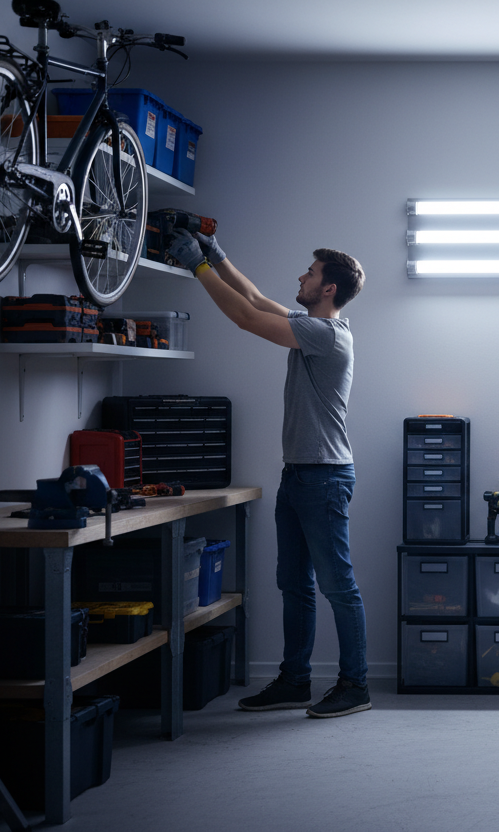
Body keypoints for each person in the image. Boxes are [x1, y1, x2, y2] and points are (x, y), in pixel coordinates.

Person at [167, 229, 371, 718]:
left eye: (311, 272)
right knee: (294, 584)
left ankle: (355, 685)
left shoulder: (324, 335)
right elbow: (255, 298)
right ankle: (295, 681)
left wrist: (197, 268)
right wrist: (217, 255)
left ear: (328, 290)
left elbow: (243, 318)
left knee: (337, 585)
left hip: (323, 479)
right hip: (300, 476)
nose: (301, 276)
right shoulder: (312, 326)